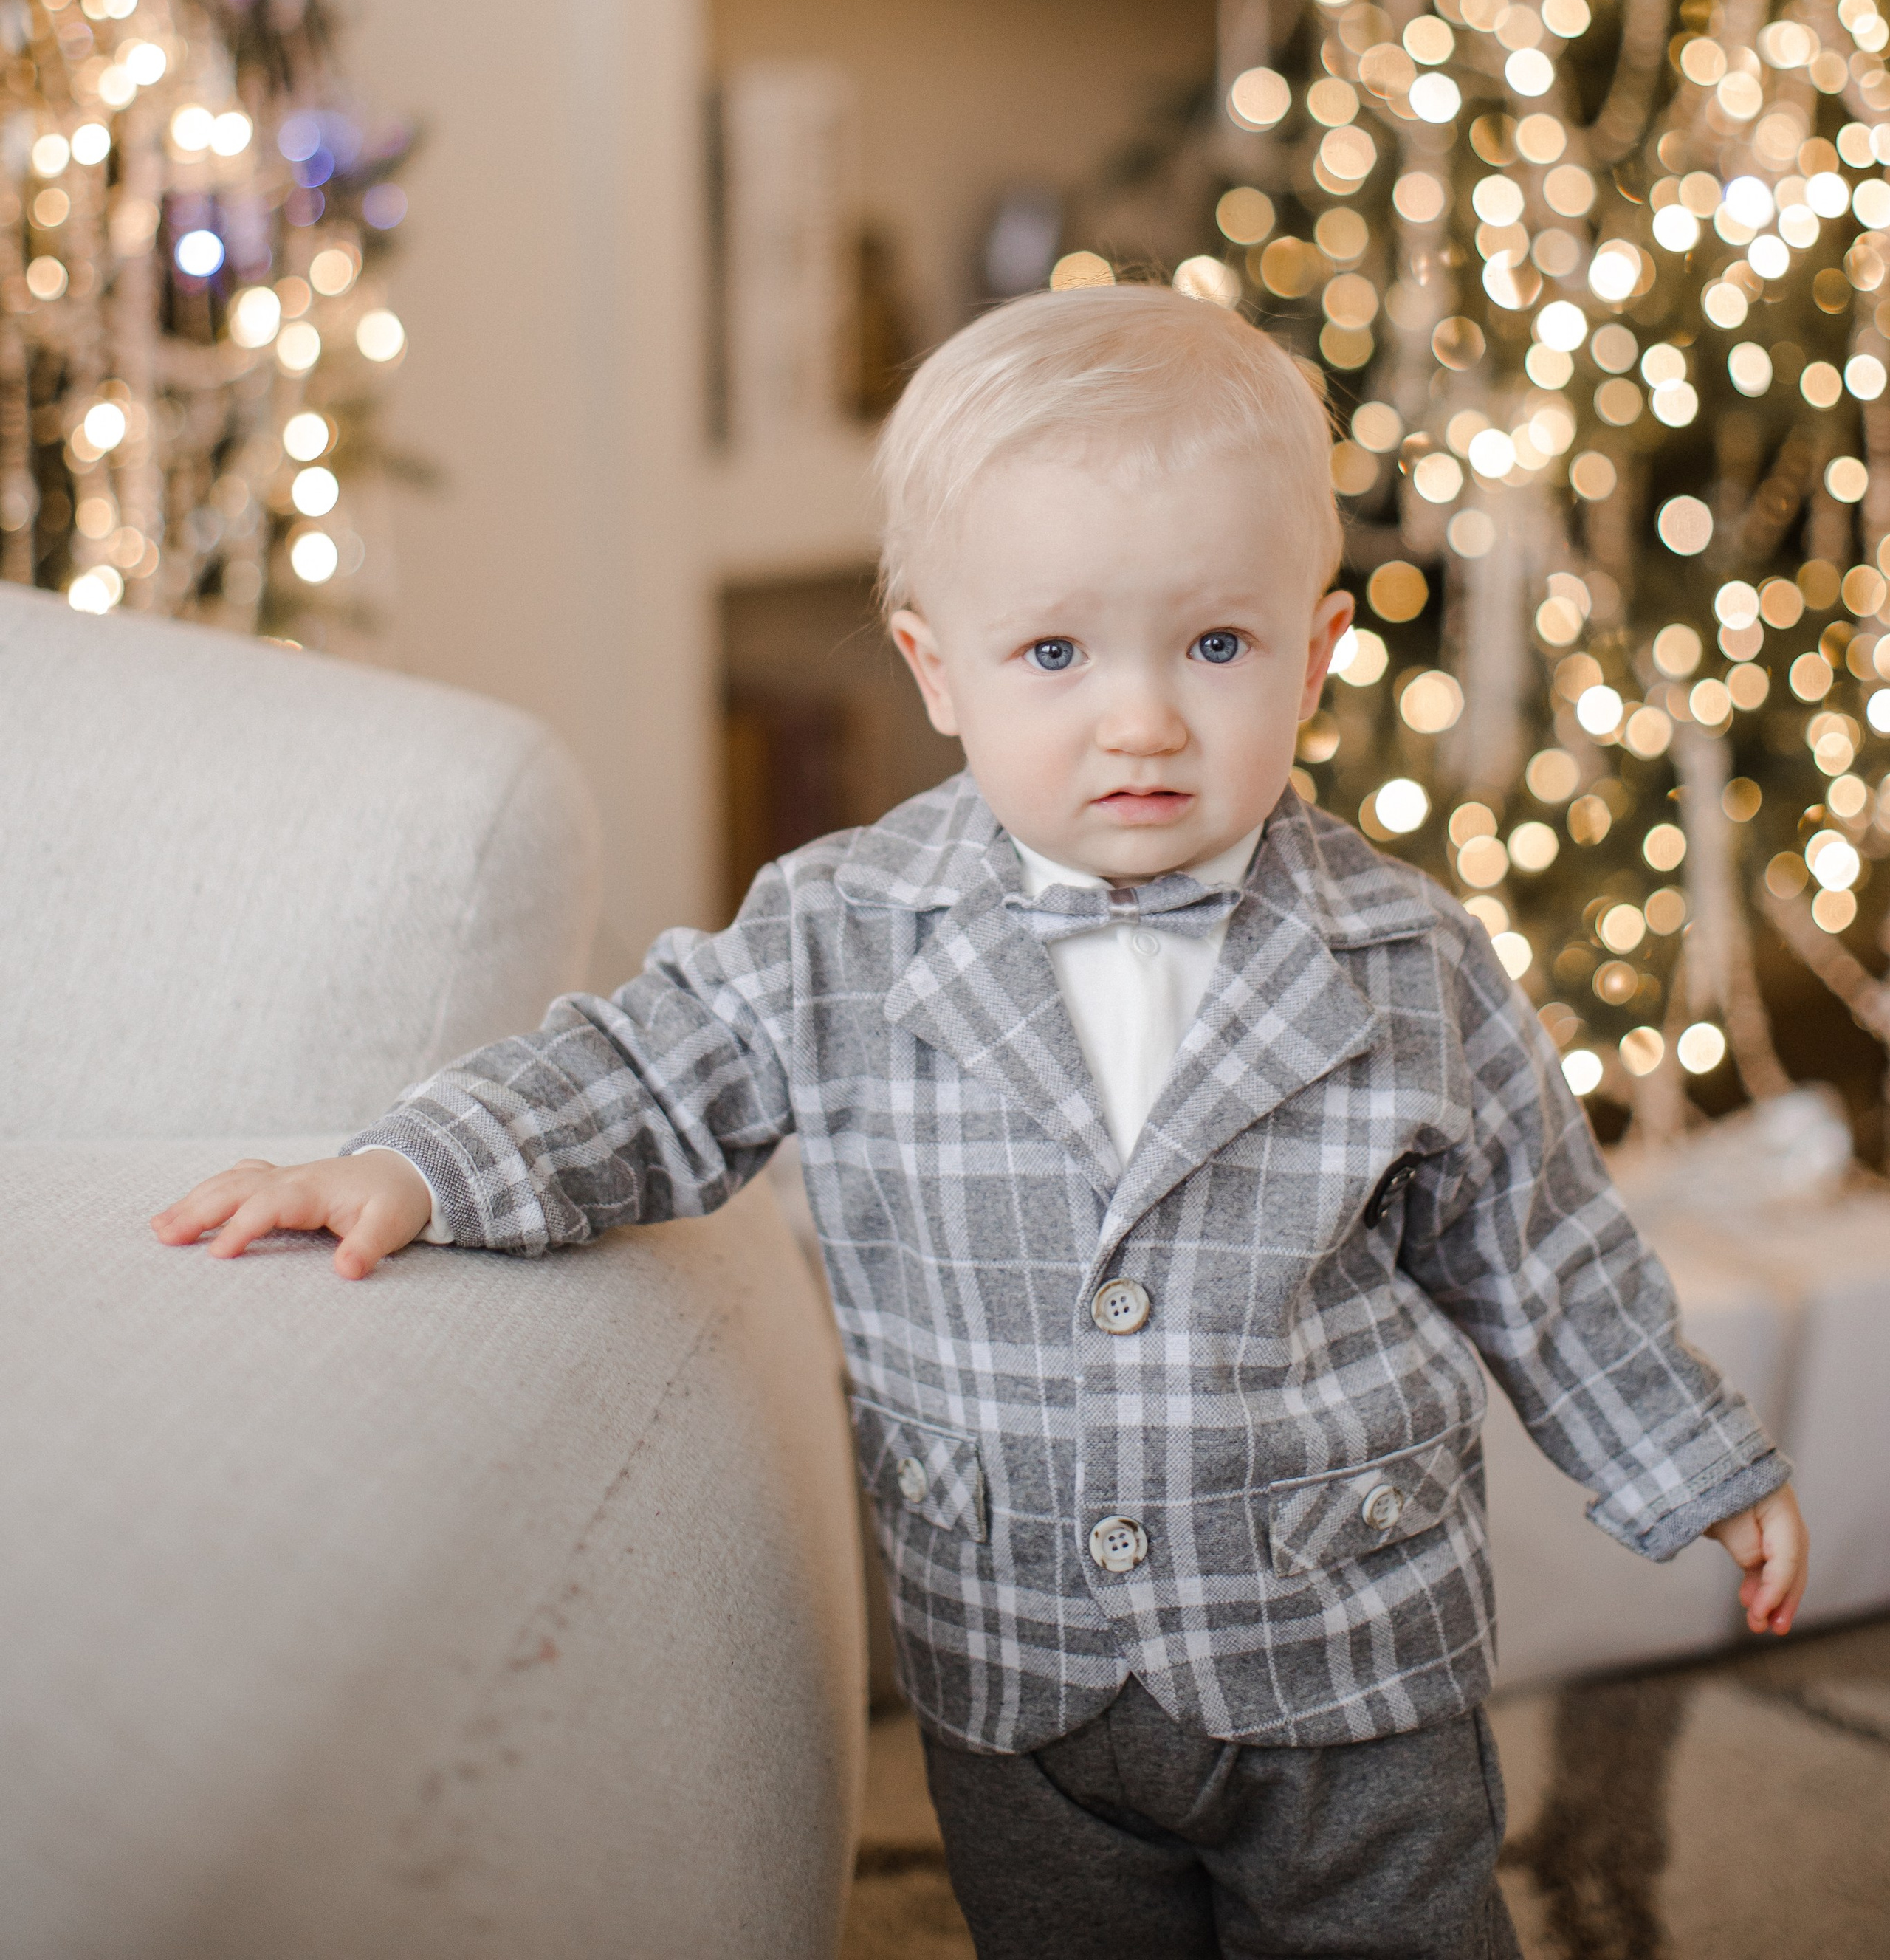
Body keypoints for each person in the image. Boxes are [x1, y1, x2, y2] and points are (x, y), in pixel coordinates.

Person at [155, 285, 1807, 1960]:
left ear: (1314, 655)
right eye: (1056, 654)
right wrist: (415, 1164)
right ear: (937, 671)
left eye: (1216, 646)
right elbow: (642, 1072)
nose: (1142, 716)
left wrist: (1692, 1465)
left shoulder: (1406, 965)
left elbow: (1540, 1251)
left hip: (1343, 1642)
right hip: (1017, 1658)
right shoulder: (839, 930)